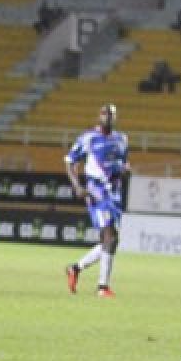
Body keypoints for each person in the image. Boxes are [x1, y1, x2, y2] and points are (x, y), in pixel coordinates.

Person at [64, 104, 129, 298]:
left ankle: (75, 269)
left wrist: (125, 171)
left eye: (111, 114)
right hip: (96, 192)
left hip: (113, 193)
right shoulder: (88, 138)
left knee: (112, 240)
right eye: (104, 114)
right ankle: (102, 287)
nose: (108, 117)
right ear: (99, 116)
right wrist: (76, 185)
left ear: (115, 117)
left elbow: (122, 163)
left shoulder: (122, 140)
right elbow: (69, 161)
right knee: (109, 235)